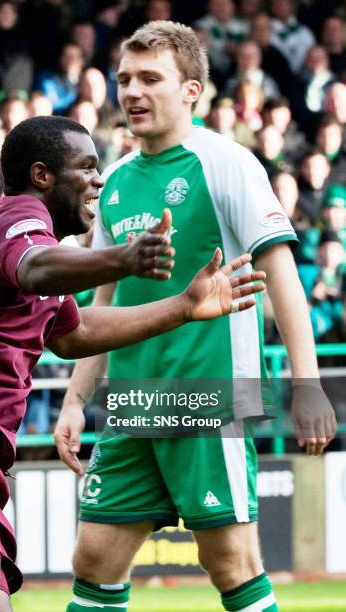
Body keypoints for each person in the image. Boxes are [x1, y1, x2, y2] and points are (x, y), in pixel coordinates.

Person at [0, 115, 264, 612]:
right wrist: (124, 259)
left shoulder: (36, 250)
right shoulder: (16, 218)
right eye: (86, 168)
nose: (99, 179)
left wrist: (183, 308)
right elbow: (34, 268)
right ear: (43, 176)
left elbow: (74, 334)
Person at [55, 21, 336, 612]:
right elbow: (106, 300)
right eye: (124, 78)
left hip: (206, 395)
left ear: (190, 90)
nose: (132, 91)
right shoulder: (114, 184)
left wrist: (307, 385)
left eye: (150, 78)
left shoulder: (225, 163)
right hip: (132, 399)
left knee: (230, 560)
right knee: (95, 558)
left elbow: (281, 274)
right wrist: (78, 398)